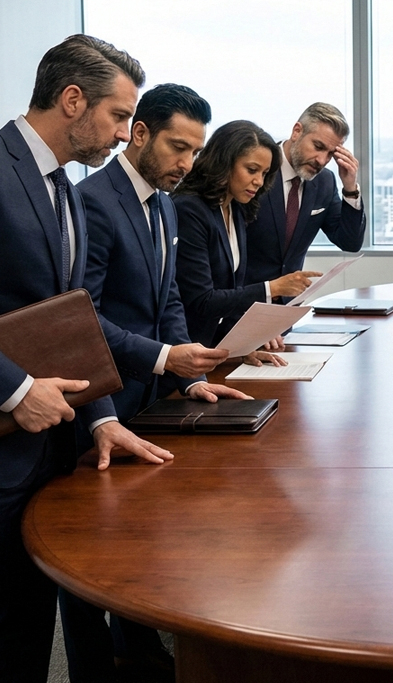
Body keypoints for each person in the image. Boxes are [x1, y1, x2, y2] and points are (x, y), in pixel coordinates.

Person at [0, 34, 173, 682]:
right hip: (8, 437)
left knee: (27, 631)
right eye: (120, 116)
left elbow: (70, 321)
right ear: (73, 100)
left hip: (49, 450)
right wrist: (17, 389)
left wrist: (100, 416)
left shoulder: (64, 186)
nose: (129, 135)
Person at [68, 83, 253, 683]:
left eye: (195, 152)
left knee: (142, 541)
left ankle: (139, 647)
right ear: (140, 133)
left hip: (153, 392)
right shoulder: (92, 200)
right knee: (90, 557)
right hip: (102, 397)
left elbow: (168, 296)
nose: (187, 164)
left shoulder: (166, 203)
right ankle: (103, 664)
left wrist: (188, 370)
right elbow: (84, 314)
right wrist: (162, 356)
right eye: (177, 147)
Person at [172, 120, 313, 355]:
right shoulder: (189, 209)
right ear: (225, 163)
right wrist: (272, 287)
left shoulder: (236, 208)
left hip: (214, 347)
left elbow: (231, 291)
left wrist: (244, 346)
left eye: (265, 173)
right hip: (186, 351)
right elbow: (202, 300)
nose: (259, 181)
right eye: (251, 170)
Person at [245, 102, 365, 299]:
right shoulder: (258, 169)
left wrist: (350, 188)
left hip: (287, 309)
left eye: (330, 154)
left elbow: (350, 242)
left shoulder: (325, 181)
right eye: (318, 147)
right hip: (241, 304)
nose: (321, 160)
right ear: (297, 131)